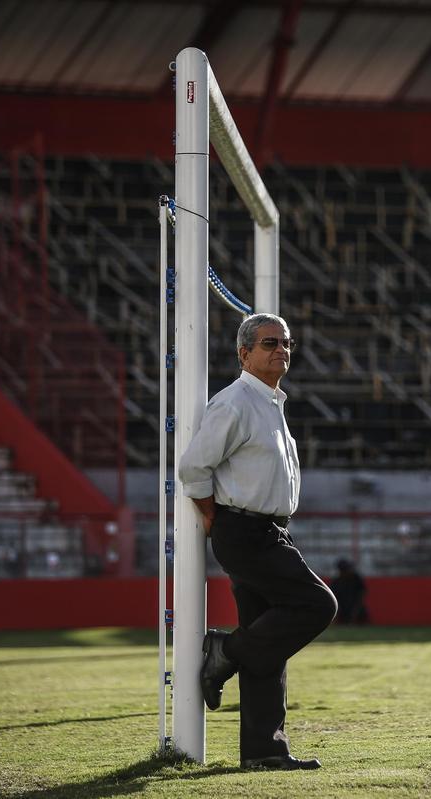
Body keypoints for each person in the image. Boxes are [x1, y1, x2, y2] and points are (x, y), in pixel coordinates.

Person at [178, 312, 337, 771]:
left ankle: (264, 751)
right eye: (270, 343)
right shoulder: (234, 403)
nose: (281, 351)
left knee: (268, 645)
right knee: (317, 605)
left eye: (286, 343)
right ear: (244, 353)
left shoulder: (270, 402)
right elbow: (194, 469)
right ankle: (223, 652)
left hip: (267, 530)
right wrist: (213, 517)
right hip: (245, 531)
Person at [329, 558, 369, 624]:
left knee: (362, 613)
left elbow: (362, 593)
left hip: (356, 606)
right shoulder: (336, 581)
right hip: (343, 608)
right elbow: (333, 598)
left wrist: (356, 608)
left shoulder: (356, 578)